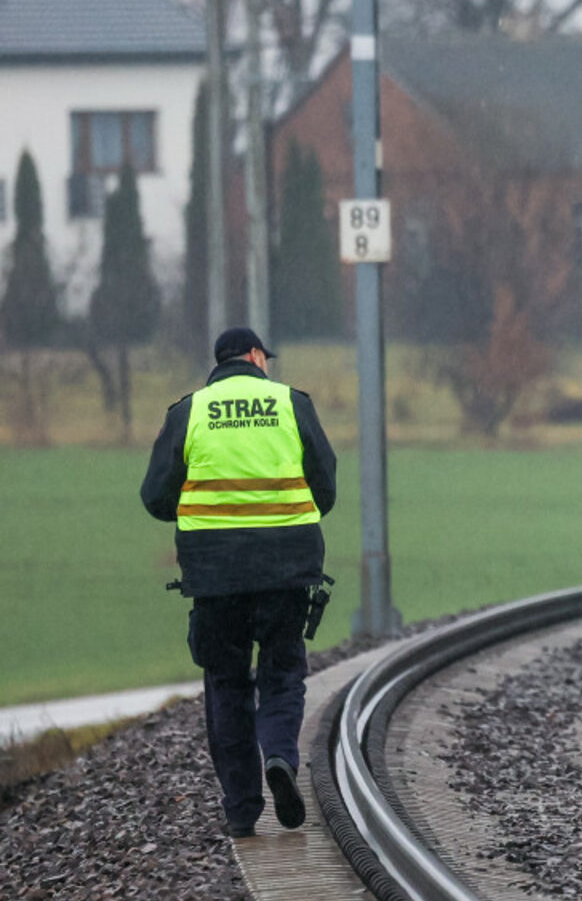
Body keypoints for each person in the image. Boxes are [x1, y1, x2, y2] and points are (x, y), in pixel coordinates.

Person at [141, 327, 337, 838]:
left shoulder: (190, 411)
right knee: (282, 670)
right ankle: (279, 757)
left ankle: (241, 808)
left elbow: (156, 498)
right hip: (287, 569)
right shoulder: (291, 403)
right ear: (254, 356)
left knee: (226, 682)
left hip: (215, 574)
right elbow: (326, 487)